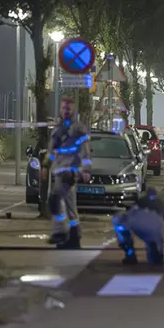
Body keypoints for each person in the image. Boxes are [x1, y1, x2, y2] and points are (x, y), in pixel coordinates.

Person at [46, 97, 91, 247]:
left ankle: (61, 233)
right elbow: (52, 152)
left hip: (70, 172)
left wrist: (85, 170)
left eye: (68, 108)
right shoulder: (57, 129)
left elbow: (85, 153)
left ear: (73, 110)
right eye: (64, 108)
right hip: (58, 171)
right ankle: (72, 235)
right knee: (68, 204)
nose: (66, 111)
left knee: (56, 200)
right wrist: (45, 166)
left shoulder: (78, 130)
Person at [113, 186, 164, 265]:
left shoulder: (141, 201)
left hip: (139, 223)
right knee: (154, 246)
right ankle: (156, 255)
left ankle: (130, 254)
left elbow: (130, 214)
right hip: (155, 228)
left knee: (120, 224)